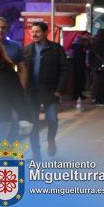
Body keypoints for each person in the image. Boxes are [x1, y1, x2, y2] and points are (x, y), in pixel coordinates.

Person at [23, 22, 71, 160]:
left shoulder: (56, 49)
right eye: (32, 32)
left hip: (51, 91)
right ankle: (36, 153)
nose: (34, 34)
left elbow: (64, 69)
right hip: (32, 93)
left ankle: (51, 139)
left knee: (52, 119)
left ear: (45, 33)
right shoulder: (26, 50)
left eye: (37, 31)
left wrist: (59, 89)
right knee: (33, 124)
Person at [0, 16, 28, 87]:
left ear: (7, 30)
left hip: (9, 89)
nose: (0, 30)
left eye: (3, 28)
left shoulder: (15, 46)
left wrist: (22, 89)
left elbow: (23, 69)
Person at [88, 29, 104, 106]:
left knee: (96, 83)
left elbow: (90, 54)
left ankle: (95, 99)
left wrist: (92, 64)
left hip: (96, 66)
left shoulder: (94, 42)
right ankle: (101, 100)